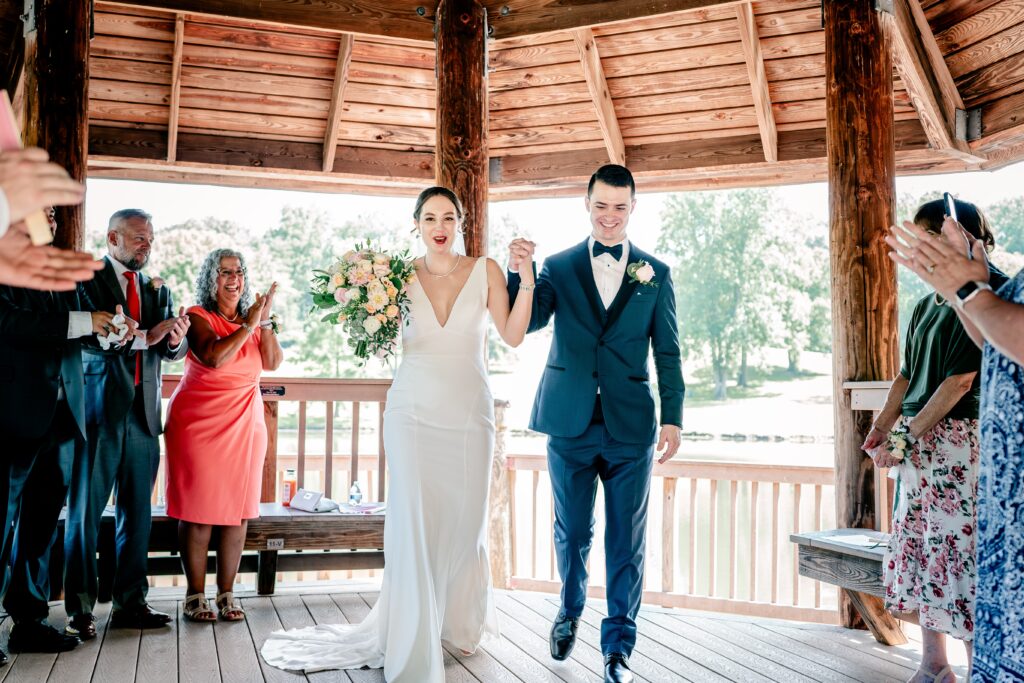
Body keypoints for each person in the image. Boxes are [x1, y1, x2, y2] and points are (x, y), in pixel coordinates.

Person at [261, 186, 535, 681]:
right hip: (411, 414)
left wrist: (527, 279)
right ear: (417, 224)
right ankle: (412, 636)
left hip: (470, 414)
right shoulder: (391, 278)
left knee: (464, 524)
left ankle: (456, 624)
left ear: (461, 221)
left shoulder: (487, 270)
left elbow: (512, 335)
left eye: (448, 216)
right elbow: (367, 329)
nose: (440, 226)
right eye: (430, 217)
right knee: (412, 523)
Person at [506, 164, 683, 683]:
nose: (609, 217)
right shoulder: (558, 268)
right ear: (587, 205)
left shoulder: (656, 272)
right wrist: (522, 270)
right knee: (572, 531)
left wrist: (673, 417)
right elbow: (530, 320)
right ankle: (569, 608)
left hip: (632, 427)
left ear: (633, 209)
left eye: (620, 207)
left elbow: (668, 352)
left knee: (626, 539)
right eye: (601, 206)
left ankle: (618, 648)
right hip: (569, 422)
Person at [865, 199, 1006, 683]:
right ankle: (933, 665)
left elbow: (958, 383)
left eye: (931, 240)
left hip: (959, 444)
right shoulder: (926, 304)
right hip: (919, 444)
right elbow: (907, 374)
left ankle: (980, 671)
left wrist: (902, 438)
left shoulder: (986, 295)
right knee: (921, 551)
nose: (922, 252)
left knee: (958, 554)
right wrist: (882, 426)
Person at [0, 211, 133, 662]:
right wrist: (85, 323)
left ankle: (30, 621)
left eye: (54, 213)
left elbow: (82, 331)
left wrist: (114, 334)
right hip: (10, 417)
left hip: (61, 417)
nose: (51, 220)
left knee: (39, 527)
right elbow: (11, 323)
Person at [63, 209, 190, 640]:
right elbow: (85, 340)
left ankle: (131, 602)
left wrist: (174, 339)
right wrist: (143, 337)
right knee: (85, 513)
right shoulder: (85, 278)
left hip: (143, 414)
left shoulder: (159, 287)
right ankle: (80, 608)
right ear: (113, 237)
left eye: (150, 239)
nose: (146, 246)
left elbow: (169, 350)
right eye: (138, 238)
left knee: (137, 515)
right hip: (98, 411)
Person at [162, 249, 282, 622]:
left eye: (240, 272)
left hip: (245, 423)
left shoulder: (254, 319)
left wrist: (263, 322)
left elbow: (273, 362)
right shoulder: (198, 316)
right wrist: (247, 324)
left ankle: (227, 592)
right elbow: (214, 357)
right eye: (225, 272)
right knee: (199, 512)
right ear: (210, 279)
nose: (234, 278)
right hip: (200, 424)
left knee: (238, 512)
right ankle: (195, 595)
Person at [0, 148, 100, 290]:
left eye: (51, 215)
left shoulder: (63, 267)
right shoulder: (7, 263)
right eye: (41, 214)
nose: (49, 222)